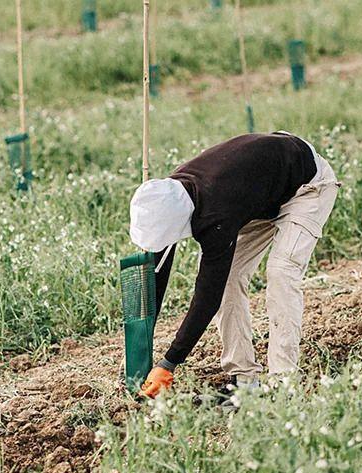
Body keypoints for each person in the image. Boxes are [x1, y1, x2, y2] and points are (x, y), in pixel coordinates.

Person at [129, 131, 340, 399]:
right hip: (260, 194)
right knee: (231, 279)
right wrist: (141, 346)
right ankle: (244, 381)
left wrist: (169, 363)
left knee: (280, 273)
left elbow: (207, 297)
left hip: (307, 186)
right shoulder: (166, 196)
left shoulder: (217, 215)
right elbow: (158, 272)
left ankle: (283, 384)